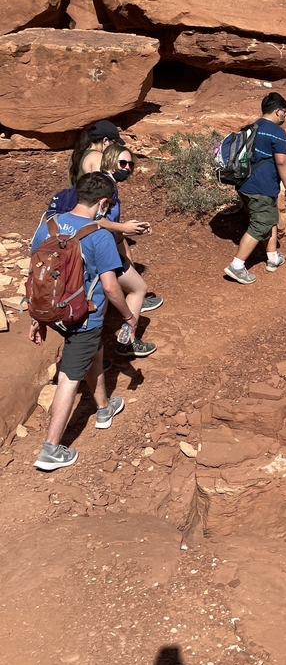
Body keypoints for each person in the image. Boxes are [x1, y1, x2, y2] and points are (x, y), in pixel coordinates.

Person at [29, 172, 136, 471]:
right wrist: (129, 317)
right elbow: (112, 287)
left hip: (54, 311)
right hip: (83, 315)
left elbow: (36, 273)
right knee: (68, 376)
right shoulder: (98, 235)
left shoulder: (48, 226)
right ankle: (50, 449)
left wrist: (37, 315)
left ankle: (103, 408)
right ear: (103, 202)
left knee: (94, 352)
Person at [224, 92, 286, 285]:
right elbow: (281, 162)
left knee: (269, 217)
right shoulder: (277, 132)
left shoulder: (251, 127)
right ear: (278, 111)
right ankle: (236, 266)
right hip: (261, 186)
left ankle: (272, 258)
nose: (285, 116)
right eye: (285, 112)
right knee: (260, 223)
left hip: (245, 184)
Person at [99, 143, 161, 358]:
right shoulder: (104, 185)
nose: (127, 168)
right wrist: (123, 228)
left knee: (132, 290)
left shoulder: (108, 183)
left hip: (106, 248)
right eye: (122, 163)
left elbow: (107, 221)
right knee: (130, 291)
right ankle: (118, 347)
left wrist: (130, 229)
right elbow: (95, 220)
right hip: (99, 251)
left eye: (130, 164)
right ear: (110, 160)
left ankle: (120, 345)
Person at [68, 119, 125, 185]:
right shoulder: (98, 157)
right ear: (105, 140)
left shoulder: (74, 155)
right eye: (114, 143)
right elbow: (101, 188)